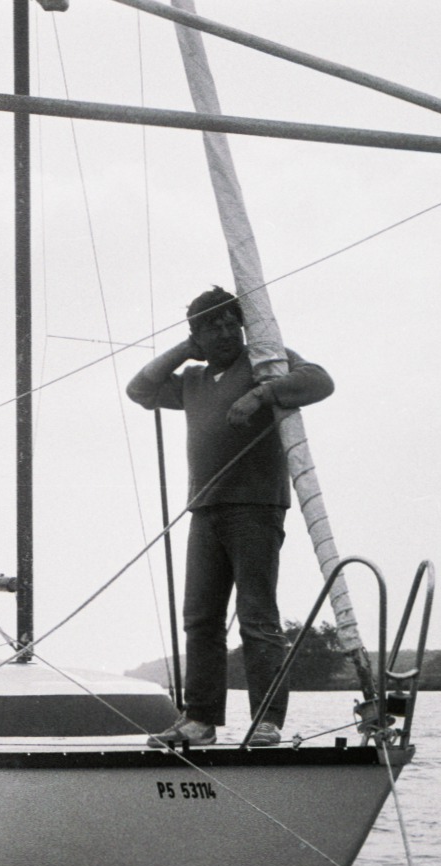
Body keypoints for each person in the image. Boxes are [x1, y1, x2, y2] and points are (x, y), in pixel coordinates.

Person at [126, 286, 334, 747]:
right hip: (205, 509)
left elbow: (320, 381)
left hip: (256, 507)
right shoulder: (193, 382)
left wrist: (263, 396)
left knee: (256, 618)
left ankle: (267, 721)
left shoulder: (263, 363)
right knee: (200, 619)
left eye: (229, 322)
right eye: (211, 326)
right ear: (198, 333)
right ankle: (200, 721)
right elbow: (139, 390)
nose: (223, 332)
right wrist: (184, 351)